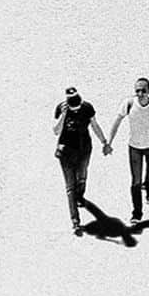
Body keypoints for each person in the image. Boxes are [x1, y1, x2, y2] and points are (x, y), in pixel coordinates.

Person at [104, 77, 149, 223]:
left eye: (143, 91)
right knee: (135, 182)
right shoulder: (128, 103)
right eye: (137, 90)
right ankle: (137, 213)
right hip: (135, 148)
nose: (140, 94)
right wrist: (109, 142)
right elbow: (117, 121)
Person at [53, 86, 108, 236]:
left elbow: (95, 125)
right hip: (66, 154)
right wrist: (63, 116)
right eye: (73, 107)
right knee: (70, 187)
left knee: (82, 177)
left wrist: (104, 141)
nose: (76, 110)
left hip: (84, 150)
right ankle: (75, 221)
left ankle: (80, 196)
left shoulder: (87, 108)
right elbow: (56, 131)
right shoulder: (61, 108)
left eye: (78, 106)